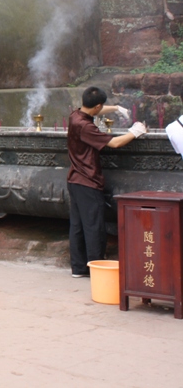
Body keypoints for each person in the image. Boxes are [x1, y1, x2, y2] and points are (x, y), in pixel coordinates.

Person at [67, 87, 147, 278]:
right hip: (88, 181)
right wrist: (135, 132)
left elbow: (95, 110)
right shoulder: (86, 126)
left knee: (77, 227)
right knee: (94, 227)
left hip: (75, 179)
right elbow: (114, 143)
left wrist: (116, 108)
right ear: (97, 106)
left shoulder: (75, 115)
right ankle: (97, 269)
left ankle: (79, 268)